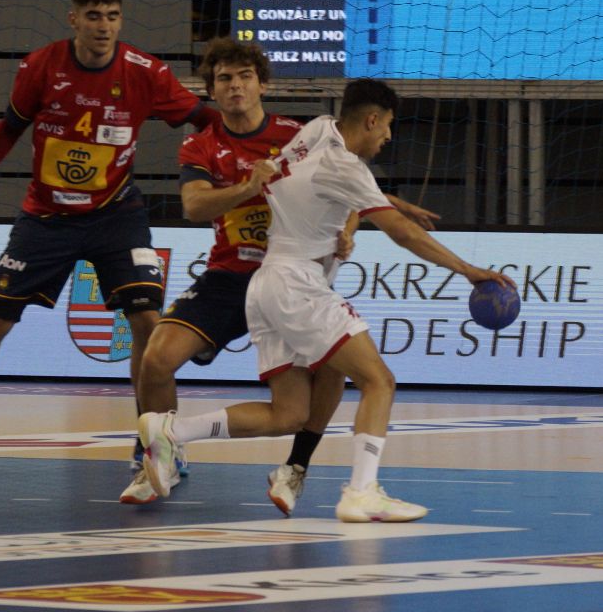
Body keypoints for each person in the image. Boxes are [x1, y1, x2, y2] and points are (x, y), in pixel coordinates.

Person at [139, 78, 515, 522]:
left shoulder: (316, 129)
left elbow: (295, 180)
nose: (387, 136)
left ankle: (171, 430)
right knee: (379, 381)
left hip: (267, 283)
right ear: (371, 120)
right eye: (387, 126)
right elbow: (401, 233)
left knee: (288, 414)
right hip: (298, 284)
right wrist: (469, 271)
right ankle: (362, 492)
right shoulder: (347, 168)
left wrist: (379, 204)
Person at [0, 0, 219, 472]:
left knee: (148, 323)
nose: (103, 26)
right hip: (46, 218)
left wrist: (232, 159)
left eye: (112, 16)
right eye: (93, 16)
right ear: (74, 19)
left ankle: (156, 443)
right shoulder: (41, 66)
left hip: (117, 215)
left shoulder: (145, 72)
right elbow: (10, 127)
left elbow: (207, 120)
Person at [121, 38, 439, 508]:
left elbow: (347, 181)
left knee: (332, 372)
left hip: (291, 276)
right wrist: (248, 185)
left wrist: (351, 226)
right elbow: (194, 206)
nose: (235, 86)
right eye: (224, 79)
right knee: (156, 358)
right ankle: (159, 457)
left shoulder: (296, 132)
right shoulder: (200, 143)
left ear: (262, 85)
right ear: (212, 90)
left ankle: (295, 468)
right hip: (231, 276)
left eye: (244, 77)